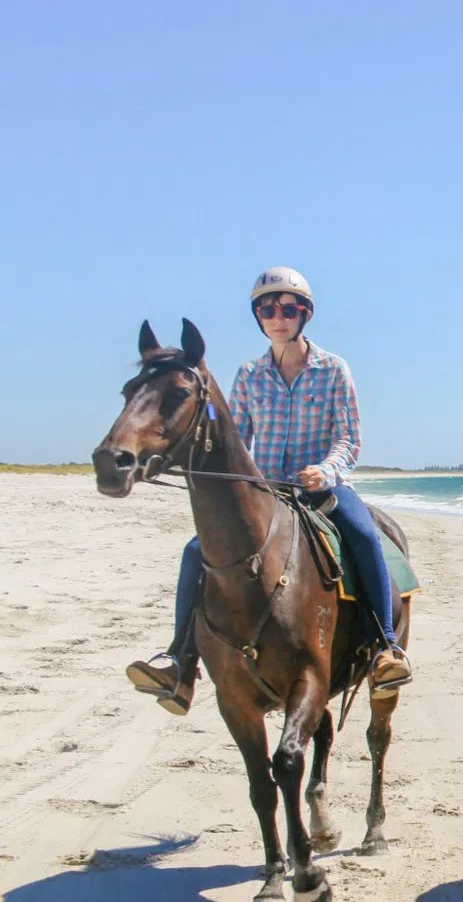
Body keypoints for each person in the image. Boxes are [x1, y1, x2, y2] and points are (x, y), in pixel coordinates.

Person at [125, 267, 413, 714]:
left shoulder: (333, 369)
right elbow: (237, 438)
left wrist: (326, 469)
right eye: (267, 308)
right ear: (258, 316)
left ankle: (385, 649)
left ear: (305, 315)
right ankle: (179, 661)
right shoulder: (249, 375)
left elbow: (350, 438)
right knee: (195, 550)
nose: (277, 316)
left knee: (362, 534)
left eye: (288, 308)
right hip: (266, 493)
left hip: (322, 489)